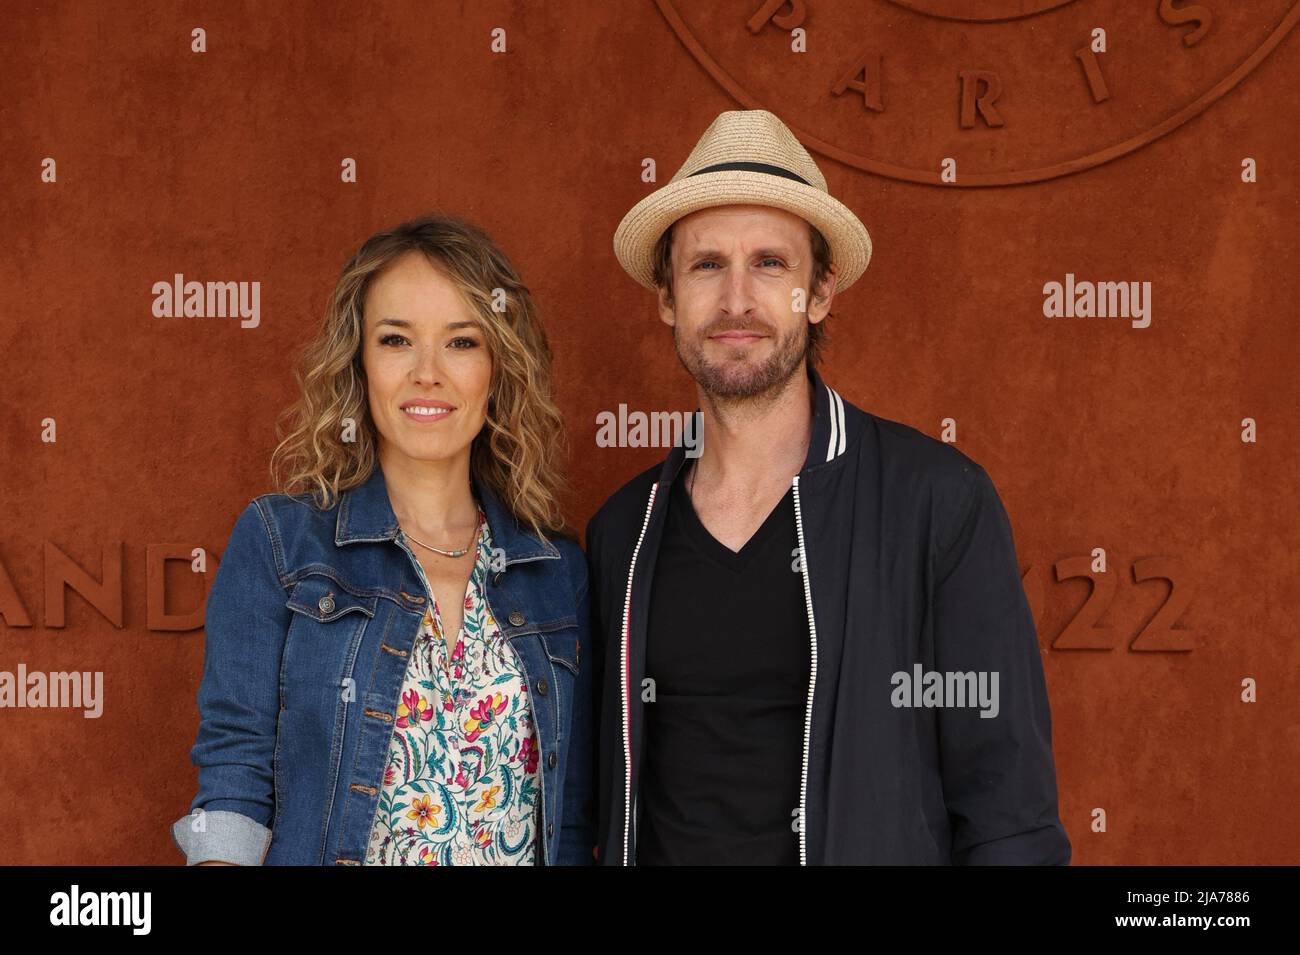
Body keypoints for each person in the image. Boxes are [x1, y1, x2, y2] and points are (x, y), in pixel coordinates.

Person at [586, 109, 1071, 865]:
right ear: (668, 301)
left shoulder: (938, 504)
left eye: (771, 264)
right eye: (707, 264)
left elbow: (1010, 817)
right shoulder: (623, 532)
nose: (737, 299)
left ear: (818, 294)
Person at [170, 214, 595, 865]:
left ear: (498, 367)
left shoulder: (554, 569)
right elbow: (234, 785)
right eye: (397, 340)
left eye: (461, 342)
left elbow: (567, 823)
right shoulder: (283, 545)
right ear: (359, 361)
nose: (428, 372)